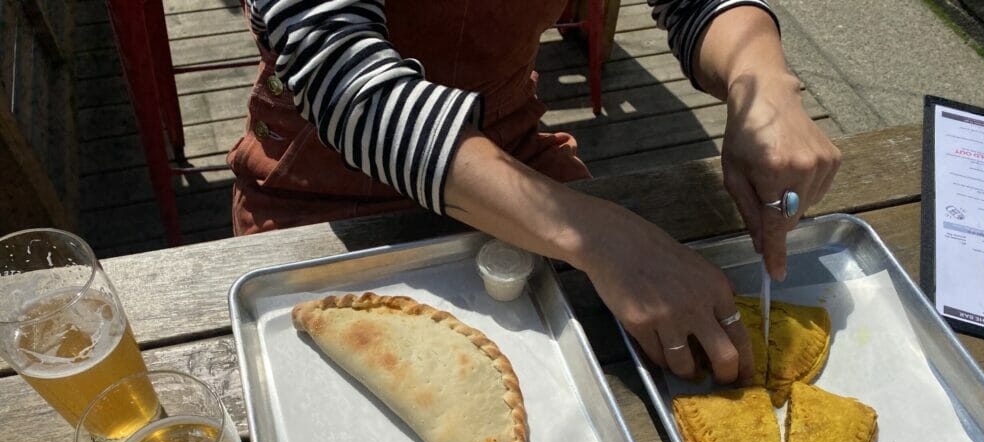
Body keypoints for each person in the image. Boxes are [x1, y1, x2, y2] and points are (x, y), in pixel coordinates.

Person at [229, 0, 840, 384]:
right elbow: (349, 88)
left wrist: (762, 80)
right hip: (320, 190)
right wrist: (605, 239)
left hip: (515, 149)